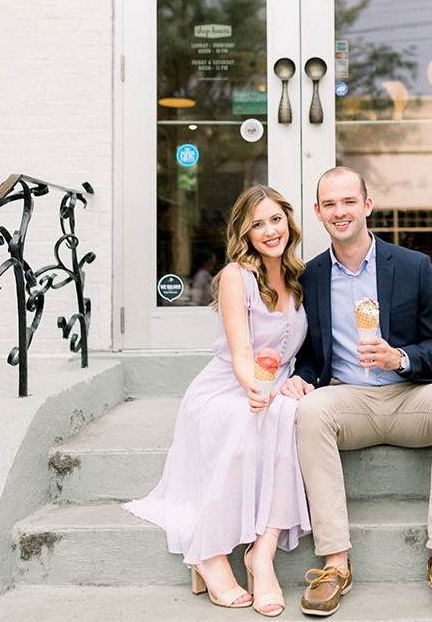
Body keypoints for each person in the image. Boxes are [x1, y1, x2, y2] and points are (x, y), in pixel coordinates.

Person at [280, 167, 432, 617]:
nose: (339, 211)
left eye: (348, 201)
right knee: (307, 412)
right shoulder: (308, 277)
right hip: (348, 398)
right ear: (317, 213)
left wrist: (399, 358)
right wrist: (301, 378)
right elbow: (311, 356)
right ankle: (335, 563)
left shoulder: (411, 266)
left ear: (367, 206)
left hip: (410, 395)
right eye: (329, 204)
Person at [124, 185, 311, 616]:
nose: (269, 231)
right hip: (225, 389)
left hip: (275, 388)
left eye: (276, 219)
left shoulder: (299, 280)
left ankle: (260, 556)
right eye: (257, 224)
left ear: (289, 221)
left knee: (293, 413)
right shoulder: (235, 277)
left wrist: (293, 384)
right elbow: (242, 354)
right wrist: (257, 390)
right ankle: (208, 554)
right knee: (269, 415)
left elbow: (298, 356)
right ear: (244, 233)